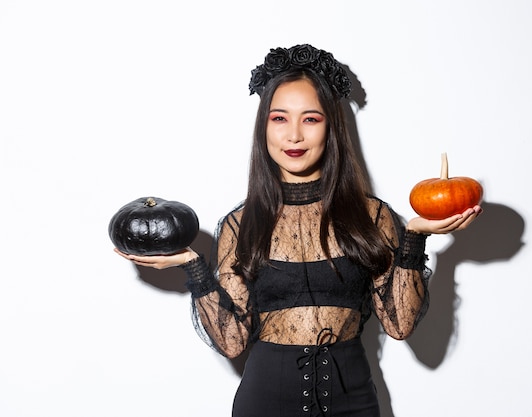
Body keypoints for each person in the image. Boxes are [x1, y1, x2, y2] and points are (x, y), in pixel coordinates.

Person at [115, 44, 482, 417]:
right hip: (264, 402)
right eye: (279, 118)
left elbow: (400, 325)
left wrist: (415, 237)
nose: (294, 136)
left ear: (331, 127)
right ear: (264, 127)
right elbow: (231, 341)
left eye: (310, 119)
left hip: (353, 403)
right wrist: (193, 267)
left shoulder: (371, 216)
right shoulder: (240, 225)